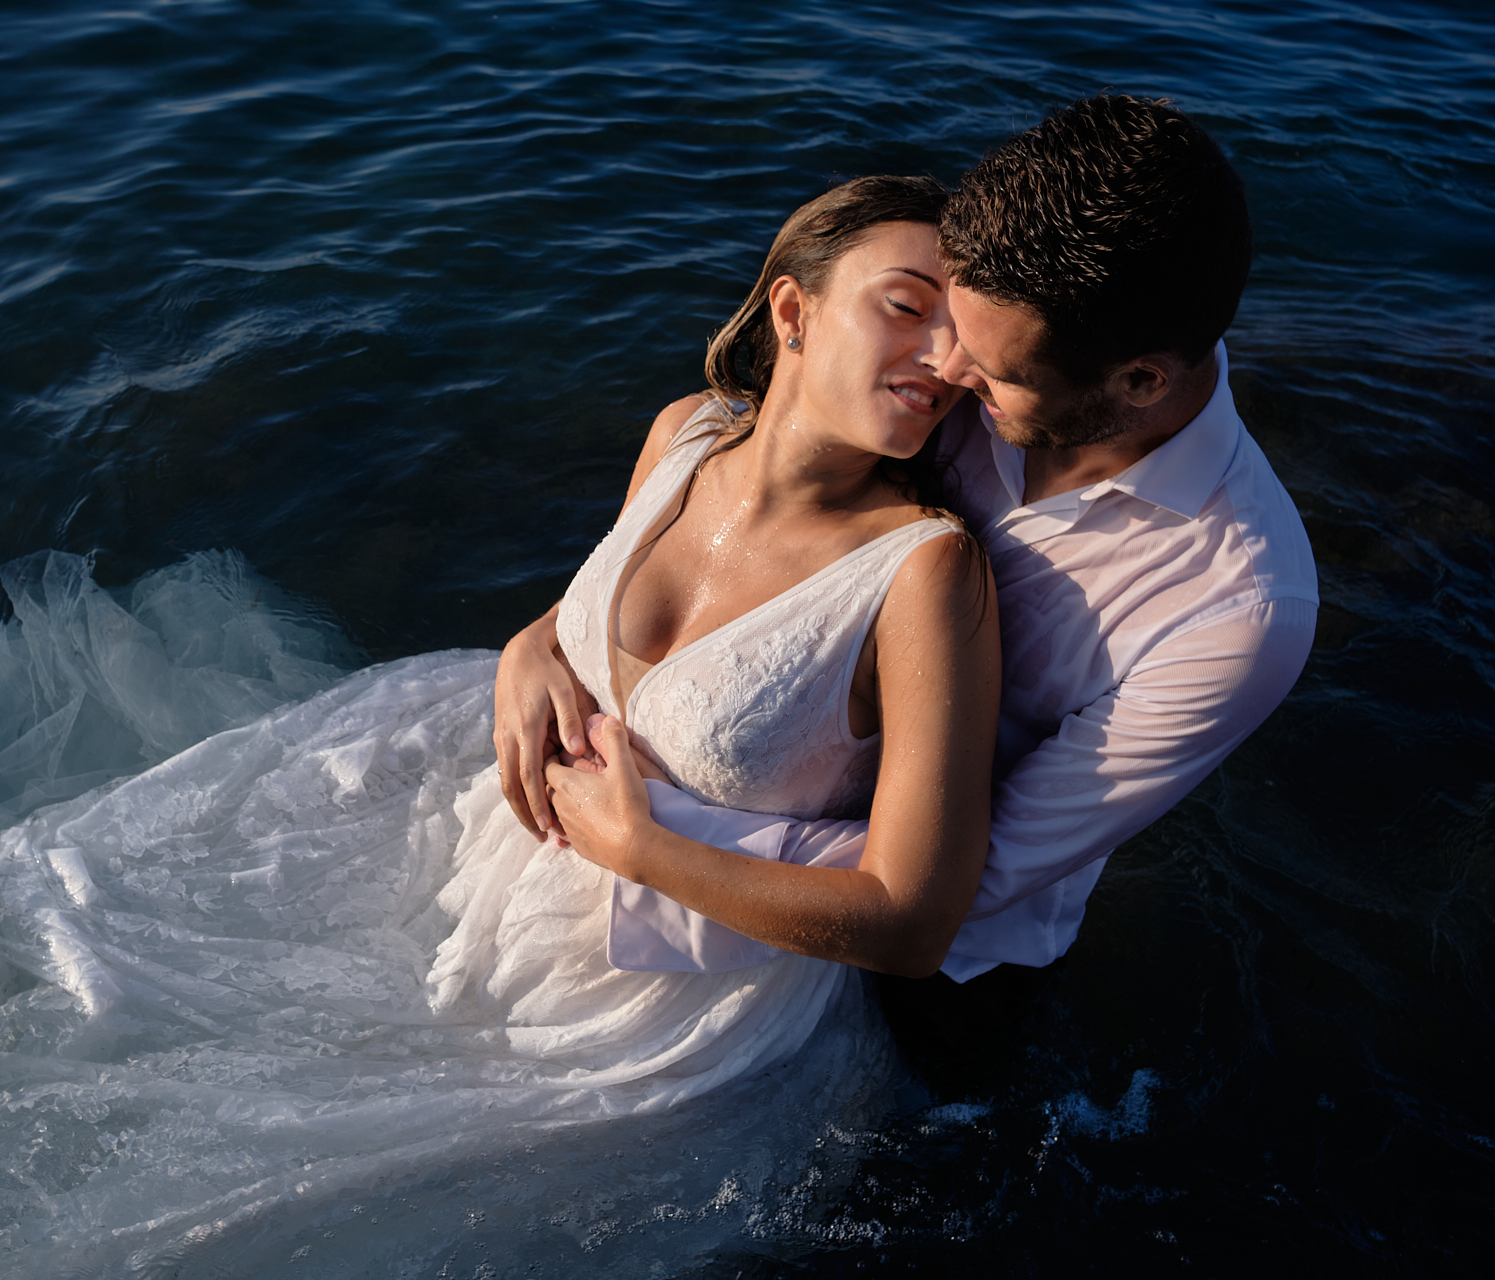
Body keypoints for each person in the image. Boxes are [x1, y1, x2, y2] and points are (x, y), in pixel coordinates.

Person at [0, 176, 999, 1279]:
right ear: (793, 309)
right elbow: (600, 616)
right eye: (907, 307)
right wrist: (530, 649)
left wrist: (639, 849)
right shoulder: (688, 430)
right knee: (52, 916)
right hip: (482, 841)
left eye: (962, 332)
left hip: (658, 986)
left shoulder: (921, 573)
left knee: (227, 1201)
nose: (941, 356)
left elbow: (914, 917)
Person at [517, 95, 1318, 1049]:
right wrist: (547, 639)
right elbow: (758, 542)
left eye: (994, 368)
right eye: (938, 319)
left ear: (1139, 381)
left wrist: (652, 841)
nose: (949, 370)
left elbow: (953, 890)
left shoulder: (1237, 612)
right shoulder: (997, 343)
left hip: (942, 968)